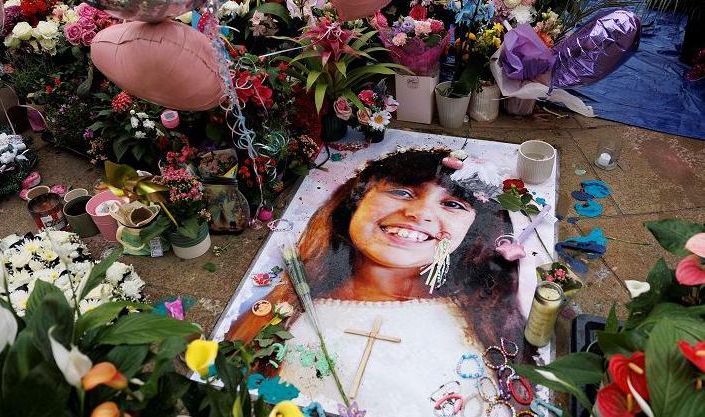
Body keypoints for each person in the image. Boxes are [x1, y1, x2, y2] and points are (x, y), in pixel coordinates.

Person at [227, 149, 533, 416]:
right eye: (401, 192)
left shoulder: (480, 322)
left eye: (453, 204)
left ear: (474, 232)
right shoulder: (281, 313)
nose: (419, 213)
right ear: (354, 203)